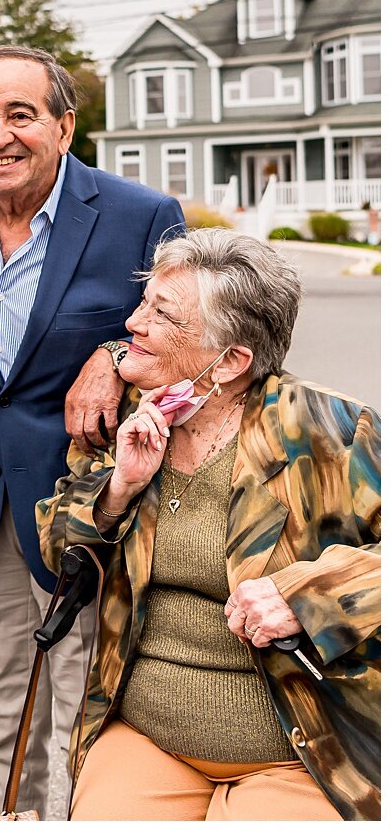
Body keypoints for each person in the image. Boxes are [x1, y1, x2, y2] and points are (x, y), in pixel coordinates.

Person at [36, 230, 380, 820]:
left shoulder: (330, 429)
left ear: (231, 361)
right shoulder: (125, 416)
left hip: (298, 749)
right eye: (144, 303)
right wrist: (119, 486)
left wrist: (308, 593)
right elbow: (58, 551)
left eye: (161, 315)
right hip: (147, 735)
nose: (133, 324)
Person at [0, 45, 185, 817]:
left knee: (90, 722)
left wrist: (113, 353)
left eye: (20, 114)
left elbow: (207, 341)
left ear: (65, 126)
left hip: (101, 513)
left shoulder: (141, 215)